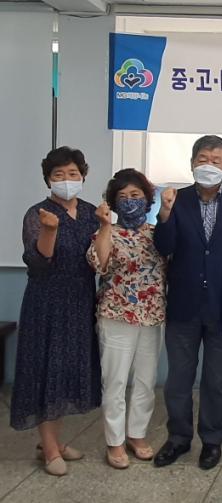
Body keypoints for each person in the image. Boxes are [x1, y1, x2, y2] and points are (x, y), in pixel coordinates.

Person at [153, 135, 222, 470]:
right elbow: (164, 247)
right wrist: (165, 212)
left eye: (216, 160)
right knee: (179, 379)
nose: (209, 165)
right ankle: (178, 438)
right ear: (192, 162)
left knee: (217, 379)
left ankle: (212, 440)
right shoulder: (176, 199)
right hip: (183, 303)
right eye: (203, 159)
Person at [10, 147, 101, 476]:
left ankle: (54, 442)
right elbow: (38, 263)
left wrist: (108, 226)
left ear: (83, 176)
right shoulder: (38, 213)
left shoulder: (91, 212)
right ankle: (49, 450)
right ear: (48, 179)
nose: (66, 179)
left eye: (73, 173)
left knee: (65, 373)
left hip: (80, 302)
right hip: (46, 303)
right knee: (47, 371)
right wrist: (49, 230)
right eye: (58, 174)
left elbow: (99, 258)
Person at [86, 169, 166, 469]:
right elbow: (100, 263)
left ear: (147, 199)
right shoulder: (105, 232)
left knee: (146, 380)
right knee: (115, 381)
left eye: (136, 195)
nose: (130, 201)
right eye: (122, 197)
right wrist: (105, 225)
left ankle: (137, 434)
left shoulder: (158, 234)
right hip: (116, 315)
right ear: (113, 202)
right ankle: (115, 441)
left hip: (152, 316)